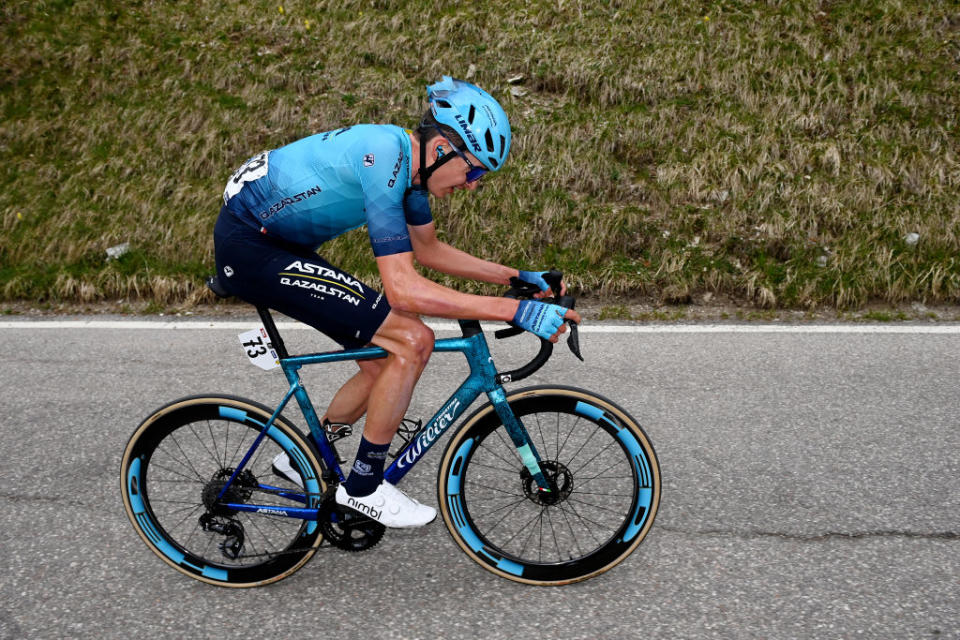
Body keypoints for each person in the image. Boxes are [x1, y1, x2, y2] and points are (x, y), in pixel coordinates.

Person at [213, 75, 581, 528]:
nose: (472, 185)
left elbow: (429, 251)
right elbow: (403, 289)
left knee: (384, 358)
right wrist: (515, 310)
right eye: (474, 170)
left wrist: (519, 278)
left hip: (278, 244)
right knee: (411, 339)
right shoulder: (383, 157)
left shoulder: (409, 172)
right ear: (443, 147)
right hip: (251, 247)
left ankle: (302, 456)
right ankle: (364, 489)